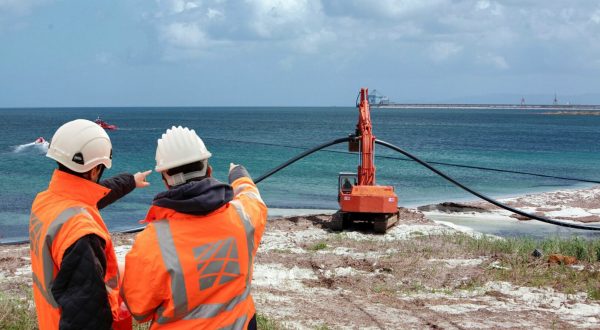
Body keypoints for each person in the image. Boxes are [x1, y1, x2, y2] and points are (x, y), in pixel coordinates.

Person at [122, 126, 267, 329]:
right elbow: (253, 198)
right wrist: (239, 174)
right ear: (208, 170)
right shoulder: (242, 217)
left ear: (165, 180)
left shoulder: (153, 243)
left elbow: (139, 309)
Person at [29, 119, 151, 330]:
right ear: (95, 170)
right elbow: (86, 319)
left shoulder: (45, 201)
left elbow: (90, 196)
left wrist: (129, 181)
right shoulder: (81, 234)